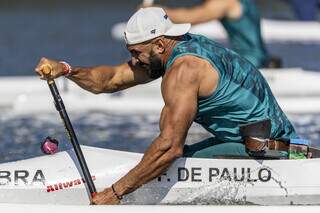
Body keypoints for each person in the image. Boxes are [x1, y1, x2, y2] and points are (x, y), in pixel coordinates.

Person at [35, 7, 298, 205]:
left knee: (171, 160)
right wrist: (66, 69)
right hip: (255, 143)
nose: (134, 61)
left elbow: (168, 149)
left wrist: (115, 193)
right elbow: (110, 80)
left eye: (136, 53)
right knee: (167, 160)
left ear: (159, 44)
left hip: (267, 154)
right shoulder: (175, 49)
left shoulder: (185, 70)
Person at [144, 0, 281, 68]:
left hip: (248, 62)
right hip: (257, 58)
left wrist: (155, 11)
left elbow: (191, 17)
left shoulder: (226, 2)